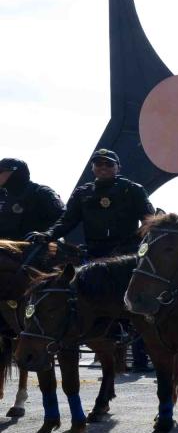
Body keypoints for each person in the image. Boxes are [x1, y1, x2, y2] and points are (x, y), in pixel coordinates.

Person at [33, 148, 153, 371]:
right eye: (98, 165)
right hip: (95, 253)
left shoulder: (133, 190)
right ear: (93, 168)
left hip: (125, 255)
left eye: (108, 164)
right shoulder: (83, 192)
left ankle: (141, 357)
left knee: (137, 303)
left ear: (118, 167)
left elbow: (149, 220)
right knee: (75, 295)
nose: (103, 168)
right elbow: (66, 221)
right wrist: (47, 235)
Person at [0, 158, 64, 240]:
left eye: (0, 171)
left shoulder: (41, 192)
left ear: (15, 172)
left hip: (34, 247)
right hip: (5, 247)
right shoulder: (2, 195)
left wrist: (47, 235)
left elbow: (65, 219)